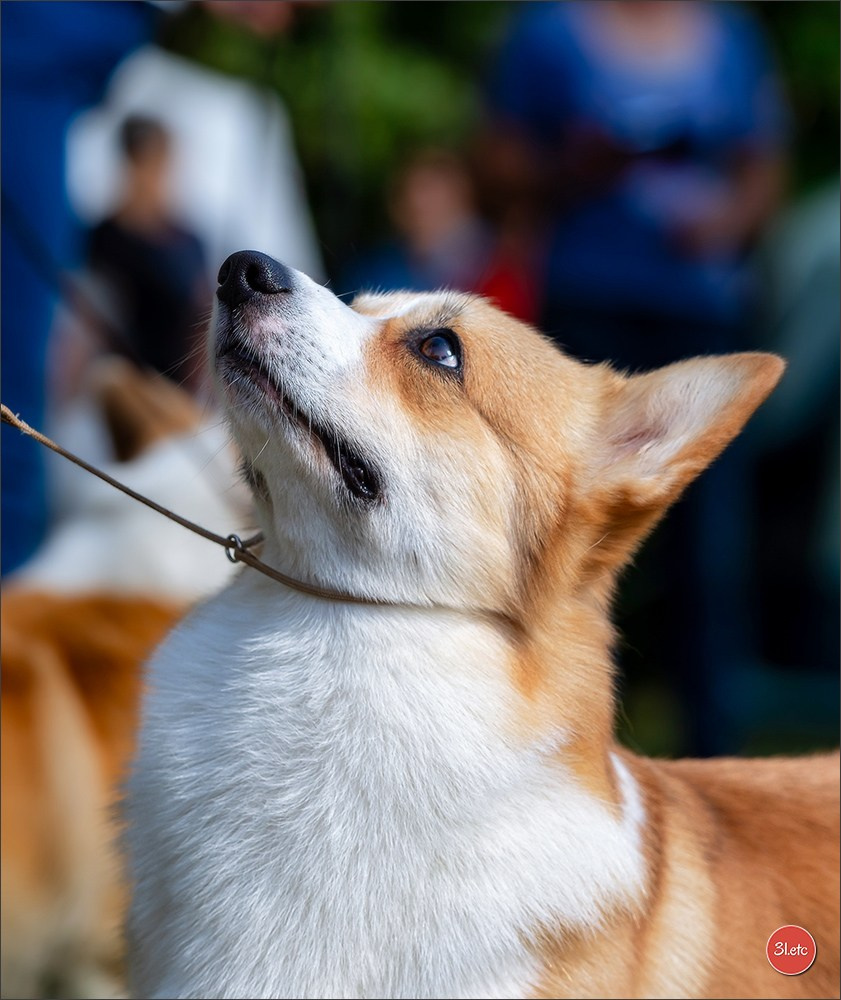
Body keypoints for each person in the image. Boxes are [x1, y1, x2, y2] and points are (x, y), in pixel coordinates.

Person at [86, 115, 210, 389]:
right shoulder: (103, 238)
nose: (156, 178)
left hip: (179, 391)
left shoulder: (189, 240)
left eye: (162, 166)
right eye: (147, 165)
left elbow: (202, 314)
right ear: (129, 165)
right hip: (120, 388)